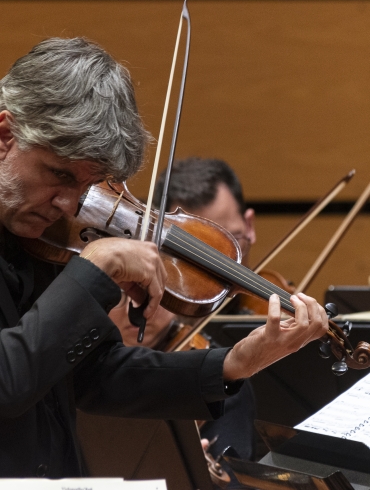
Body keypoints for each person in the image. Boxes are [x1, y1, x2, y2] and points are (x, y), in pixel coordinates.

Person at [0, 37, 328, 478]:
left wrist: (234, 363)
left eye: (86, 186)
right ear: (5, 136)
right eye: (59, 174)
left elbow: (89, 376)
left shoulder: (38, 233)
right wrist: (94, 271)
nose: (69, 205)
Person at [110, 158, 258, 472]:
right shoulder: (123, 296)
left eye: (227, 244)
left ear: (250, 226)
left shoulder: (223, 385)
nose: (213, 269)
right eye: (188, 252)